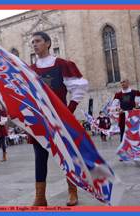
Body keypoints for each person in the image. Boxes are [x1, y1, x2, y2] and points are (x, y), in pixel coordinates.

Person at [28, 32, 89, 206]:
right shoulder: (30, 70)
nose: (34, 44)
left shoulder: (62, 64)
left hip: (60, 120)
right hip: (40, 120)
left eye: (38, 41)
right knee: (40, 159)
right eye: (32, 42)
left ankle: (72, 191)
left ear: (48, 43)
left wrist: (68, 111)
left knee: (67, 155)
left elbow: (80, 88)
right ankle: (40, 197)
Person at [111, 79, 140, 160]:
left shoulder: (134, 92)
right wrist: (119, 110)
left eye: (124, 82)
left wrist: (138, 106)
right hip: (123, 116)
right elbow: (114, 105)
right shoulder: (118, 94)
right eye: (121, 82)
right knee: (123, 135)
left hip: (133, 117)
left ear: (128, 83)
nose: (122, 83)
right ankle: (123, 154)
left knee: (134, 134)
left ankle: (136, 152)